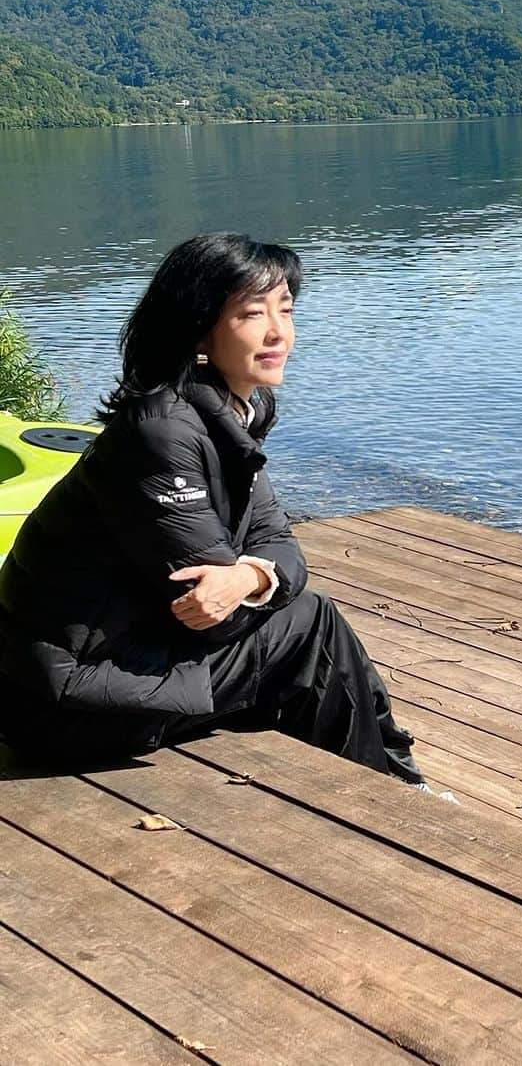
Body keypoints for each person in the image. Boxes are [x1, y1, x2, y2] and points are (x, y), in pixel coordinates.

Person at [0, 233, 429, 785]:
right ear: (200, 326)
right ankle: (390, 786)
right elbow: (209, 615)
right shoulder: (161, 432)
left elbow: (278, 539)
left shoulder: (226, 410)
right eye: (254, 313)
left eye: (286, 309)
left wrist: (251, 574)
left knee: (299, 628)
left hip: (114, 671)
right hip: (66, 707)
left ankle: (385, 772)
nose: (279, 332)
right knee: (308, 626)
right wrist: (254, 581)